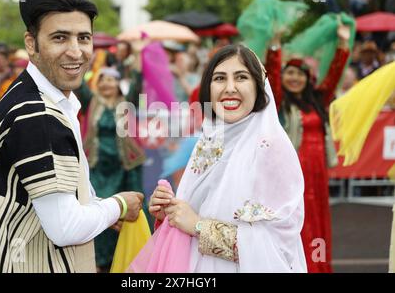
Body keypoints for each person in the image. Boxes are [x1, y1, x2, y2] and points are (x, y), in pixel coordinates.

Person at [0, 0, 143, 273]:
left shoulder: (30, 93)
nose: (76, 51)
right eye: (59, 37)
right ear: (31, 43)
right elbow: (65, 228)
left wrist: (99, 208)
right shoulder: (38, 114)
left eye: (84, 38)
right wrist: (118, 205)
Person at [133, 44, 306, 273]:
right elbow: (196, 212)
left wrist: (198, 227)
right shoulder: (208, 141)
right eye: (220, 78)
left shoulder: (271, 148)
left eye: (241, 77)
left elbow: (278, 244)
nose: (230, 88)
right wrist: (170, 213)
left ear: (259, 87)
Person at [265, 22, 351, 272]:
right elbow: (272, 73)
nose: (294, 78)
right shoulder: (280, 102)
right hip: (292, 172)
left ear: (307, 78)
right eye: (289, 73)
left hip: (317, 172)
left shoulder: (318, 100)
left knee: (318, 217)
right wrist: (275, 44)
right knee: (296, 218)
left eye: (299, 74)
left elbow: (334, 75)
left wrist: (343, 43)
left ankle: (319, 266)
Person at [83, 67, 146, 272]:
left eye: (111, 80)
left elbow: (137, 86)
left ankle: (127, 262)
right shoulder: (91, 103)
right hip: (98, 169)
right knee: (100, 215)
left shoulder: (127, 104)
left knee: (125, 215)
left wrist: (137, 57)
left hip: (123, 169)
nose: (106, 84)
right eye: (103, 80)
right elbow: (79, 86)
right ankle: (100, 263)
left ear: (118, 84)